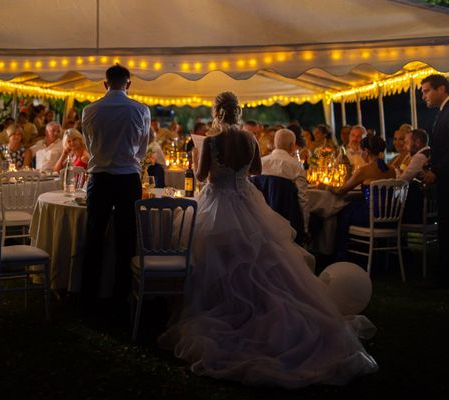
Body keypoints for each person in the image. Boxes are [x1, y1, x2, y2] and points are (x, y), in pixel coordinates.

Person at [159, 92, 377, 388]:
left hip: (217, 203)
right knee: (259, 260)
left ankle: (225, 306)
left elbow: (202, 177)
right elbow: (256, 171)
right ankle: (259, 308)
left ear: (216, 112)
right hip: (247, 202)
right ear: (236, 112)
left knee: (216, 259)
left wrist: (212, 169)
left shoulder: (210, 142)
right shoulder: (249, 140)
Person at [81, 64, 150, 307]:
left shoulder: (90, 110)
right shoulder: (141, 110)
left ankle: (88, 292)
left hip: (99, 177)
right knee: (126, 235)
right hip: (128, 177)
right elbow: (142, 150)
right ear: (129, 84)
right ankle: (121, 294)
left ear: (105, 84)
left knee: (94, 234)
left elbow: (90, 147)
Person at [331, 135, 396, 260]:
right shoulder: (391, 170)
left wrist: (326, 187)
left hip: (372, 217)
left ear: (366, 151)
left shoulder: (364, 170)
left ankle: (341, 254)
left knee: (342, 211)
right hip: (390, 218)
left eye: (362, 151)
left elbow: (341, 190)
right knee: (352, 206)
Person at [421, 74, 449, 286]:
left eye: (426, 91)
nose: (424, 96)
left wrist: (436, 171)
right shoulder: (441, 113)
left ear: (441, 89)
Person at [260, 128, 310, 243]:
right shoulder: (296, 166)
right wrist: (305, 228)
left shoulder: (260, 163)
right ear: (292, 146)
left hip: (262, 221)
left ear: (274, 144)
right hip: (288, 221)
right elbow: (303, 199)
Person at [400, 129, 431, 224]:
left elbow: (402, 180)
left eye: (406, 143)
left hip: (418, 210)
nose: (404, 146)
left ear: (417, 142)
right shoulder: (429, 152)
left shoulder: (420, 157)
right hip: (431, 207)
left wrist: (395, 172)